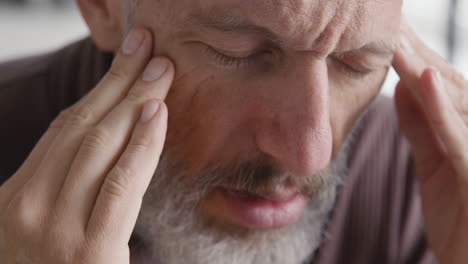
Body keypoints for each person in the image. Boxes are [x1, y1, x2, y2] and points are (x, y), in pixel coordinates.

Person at [0, 0, 467, 263]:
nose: (309, 155)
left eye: (357, 64)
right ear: (103, 7)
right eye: (239, 52)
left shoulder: (427, 180)